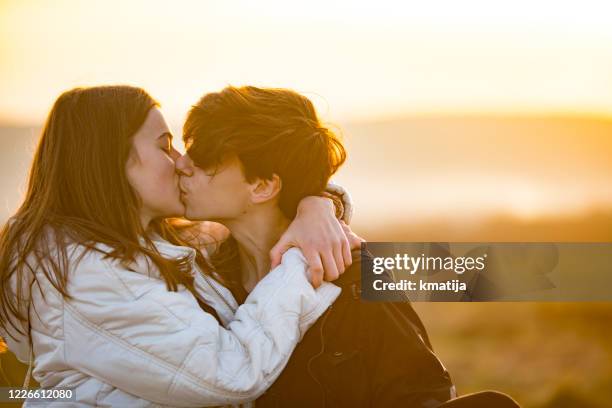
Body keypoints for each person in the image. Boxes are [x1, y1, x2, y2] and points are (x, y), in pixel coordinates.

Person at [0, 85, 360, 407]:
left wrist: (318, 205)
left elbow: (412, 389)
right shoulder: (86, 278)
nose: (181, 163)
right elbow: (232, 372)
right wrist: (300, 258)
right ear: (110, 161)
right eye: (165, 146)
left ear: (264, 186)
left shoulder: (360, 271)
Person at [177, 85, 521, 408]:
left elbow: (420, 395)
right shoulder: (194, 279)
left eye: (204, 157)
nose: (182, 164)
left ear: (263, 186)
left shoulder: (354, 282)